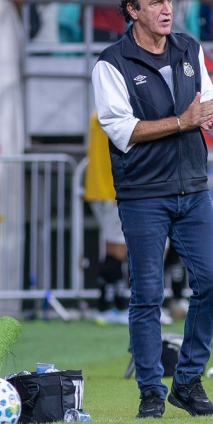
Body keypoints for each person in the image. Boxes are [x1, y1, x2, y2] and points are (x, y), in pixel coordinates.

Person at [91, 0, 213, 418]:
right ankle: (150, 391)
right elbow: (123, 130)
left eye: (169, 0)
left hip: (193, 188)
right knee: (146, 293)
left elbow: (207, 100)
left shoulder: (190, 48)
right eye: (155, 3)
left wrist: (206, 113)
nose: (167, 9)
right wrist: (184, 121)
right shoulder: (111, 64)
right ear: (132, 11)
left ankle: (186, 381)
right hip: (143, 193)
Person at [84, 113, 127, 321]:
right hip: (111, 192)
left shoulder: (99, 115)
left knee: (117, 248)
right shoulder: (112, 114)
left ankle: (112, 304)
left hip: (105, 190)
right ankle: (107, 306)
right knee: (117, 249)